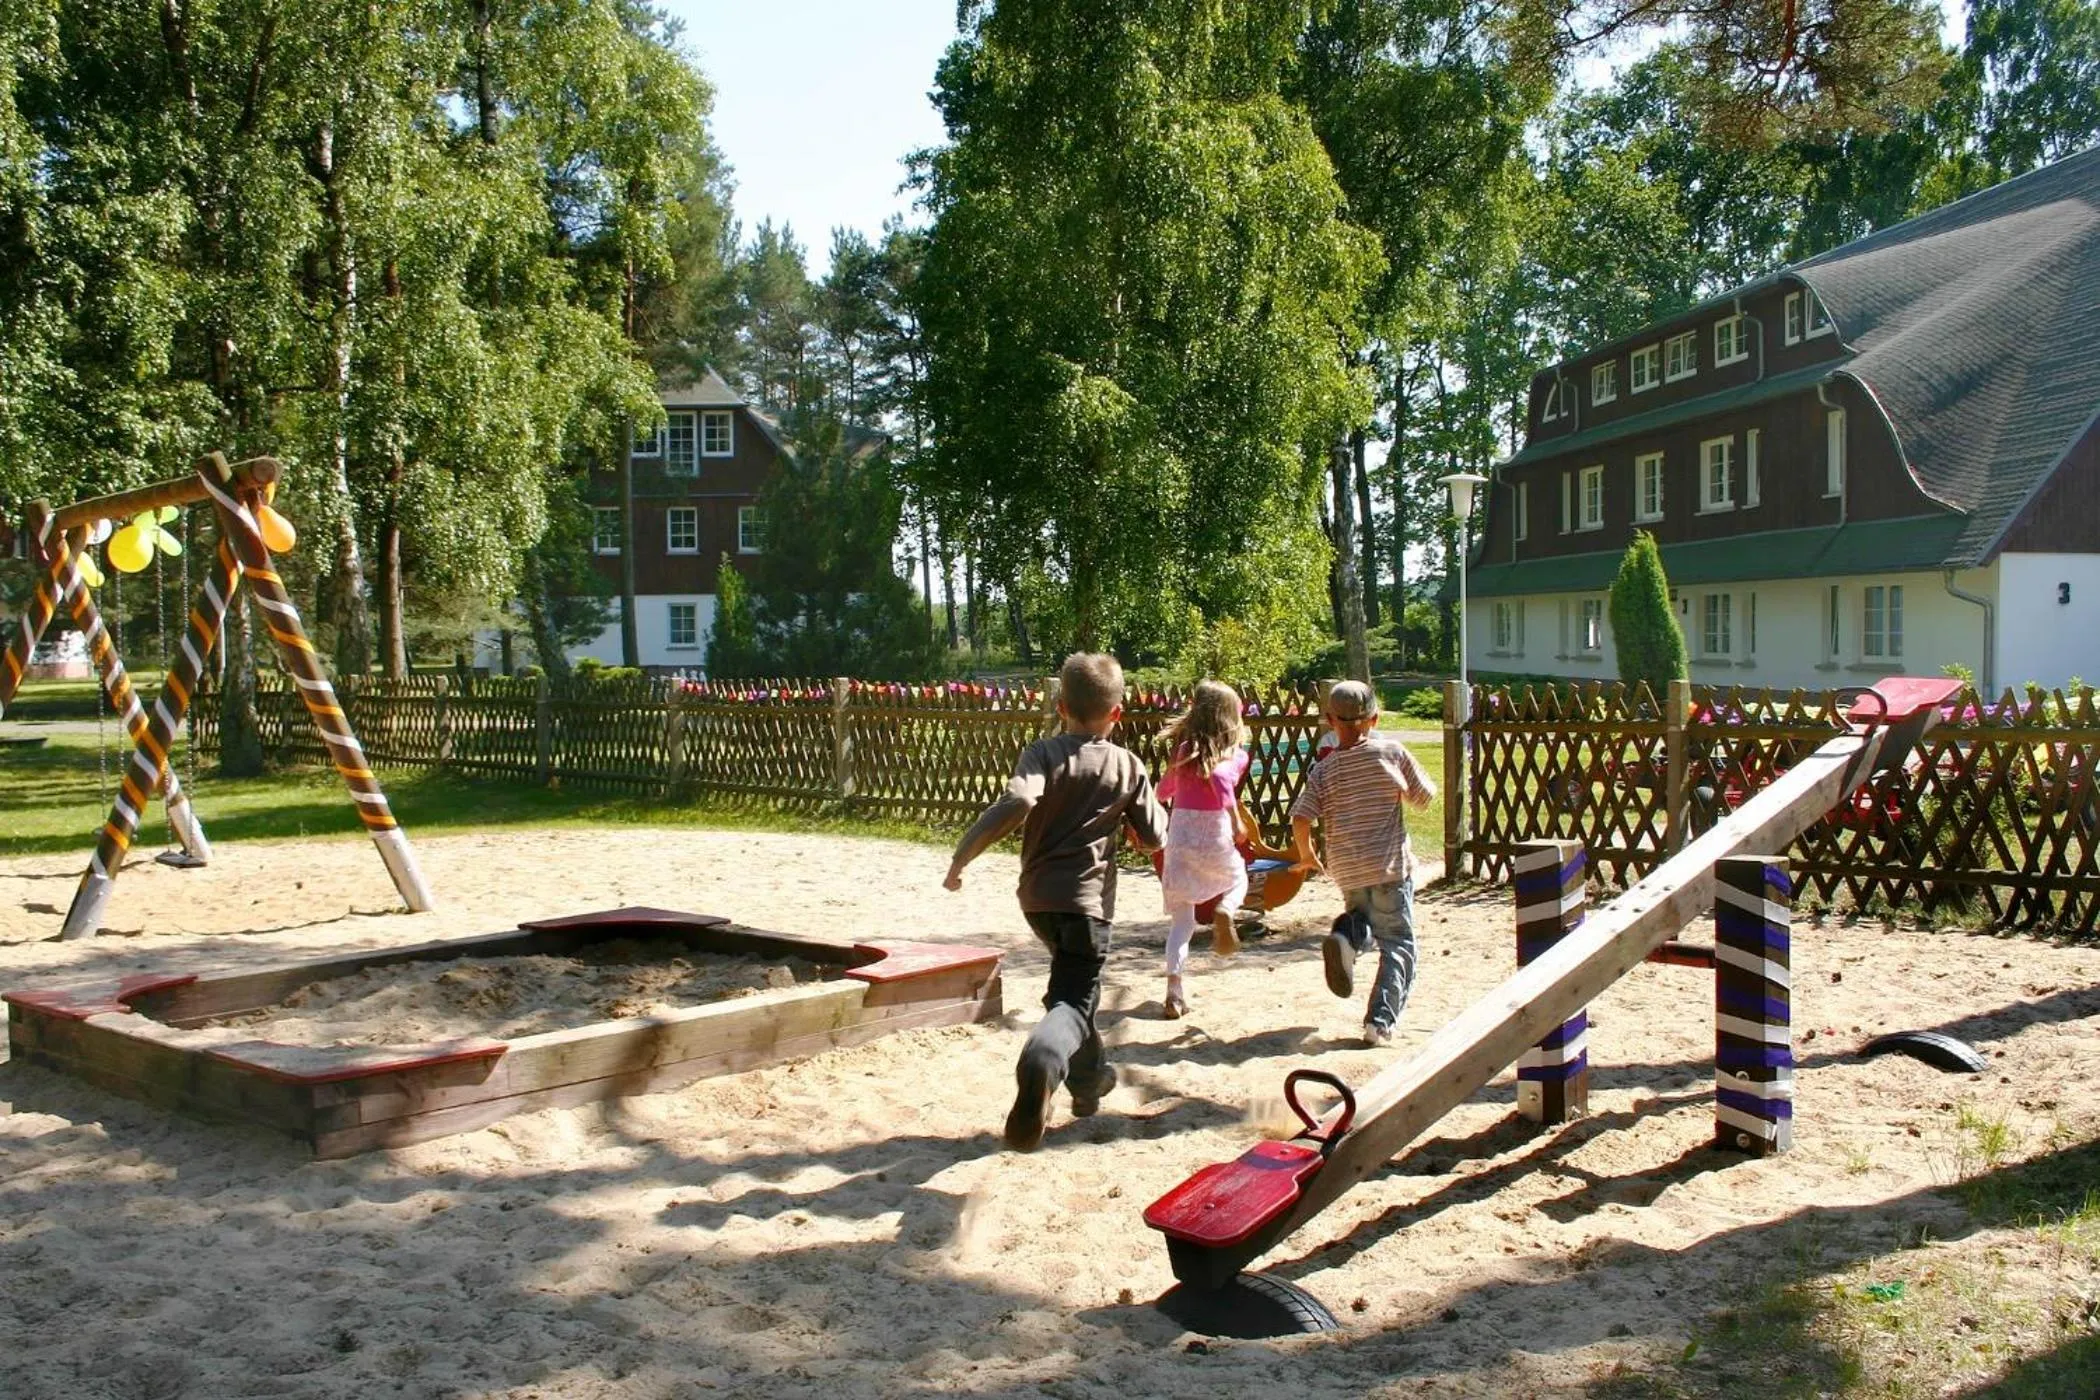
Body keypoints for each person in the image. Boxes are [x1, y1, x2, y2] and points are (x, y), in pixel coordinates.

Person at [945, 652, 1167, 1151]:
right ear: (1117, 713)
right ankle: (1042, 1062)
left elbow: (1020, 800)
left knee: (1072, 993)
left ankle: (1089, 1084)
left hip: (1038, 903)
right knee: (1071, 1002)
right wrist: (1140, 831)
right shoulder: (1127, 764)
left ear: (1061, 706)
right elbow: (1156, 835)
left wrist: (963, 856)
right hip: (1087, 908)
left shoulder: (1042, 753)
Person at [1287, 680, 1438, 1047]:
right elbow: (1424, 798)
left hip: (1348, 869)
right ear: (1375, 718)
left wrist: (1306, 854)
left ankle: (1347, 936)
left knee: (1364, 919)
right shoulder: (1391, 752)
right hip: (1389, 866)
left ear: (1330, 721)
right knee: (1398, 943)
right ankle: (1379, 1022)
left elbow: (1301, 817)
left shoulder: (1324, 770)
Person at [1154, 680, 1251, 1019]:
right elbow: (1221, 780)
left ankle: (1174, 991)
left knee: (1182, 921)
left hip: (1181, 836)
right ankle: (1226, 909)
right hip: (1213, 832)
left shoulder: (1184, 751)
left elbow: (1163, 791)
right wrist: (1236, 821)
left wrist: (1160, 798)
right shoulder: (1236, 755)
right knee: (1238, 878)